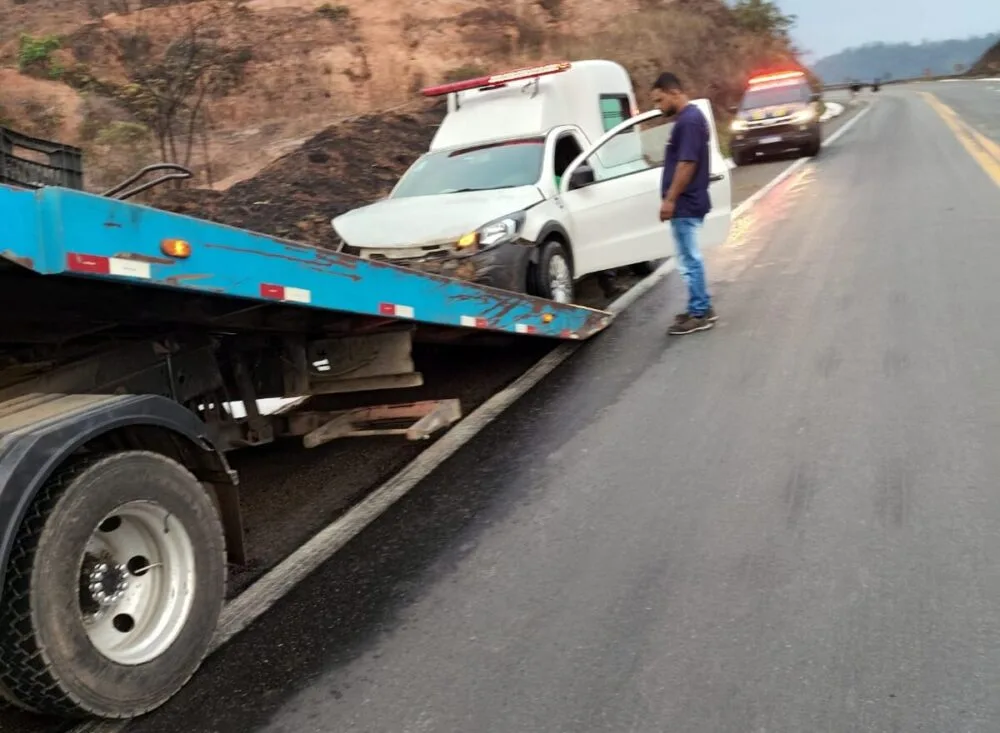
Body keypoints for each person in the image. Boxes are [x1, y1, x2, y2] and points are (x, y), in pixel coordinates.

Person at [651, 72, 717, 335]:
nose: (658, 107)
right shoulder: (689, 119)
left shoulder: (688, 121)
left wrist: (670, 200)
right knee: (688, 258)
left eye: (659, 100)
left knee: (690, 259)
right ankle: (699, 306)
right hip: (687, 201)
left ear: (674, 92)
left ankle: (700, 313)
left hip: (685, 203)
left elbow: (687, 163)